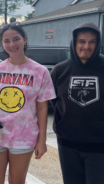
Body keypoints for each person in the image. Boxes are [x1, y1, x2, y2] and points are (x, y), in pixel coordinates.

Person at [0, 22, 56, 184]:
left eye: (16, 39)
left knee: (17, 181)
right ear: (2, 44)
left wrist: (41, 140)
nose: (12, 44)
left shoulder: (40, 71)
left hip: (24, 134)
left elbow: (43, 108)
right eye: (6, 41)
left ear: (24, 40)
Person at [51, 22, 104, 184]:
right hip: (68, 144)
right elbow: (54, 101)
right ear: (74, 42)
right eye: (82, 41)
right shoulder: (59, 70)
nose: (86, 46)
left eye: (92, 42)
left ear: (98, 43)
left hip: (99, 146)